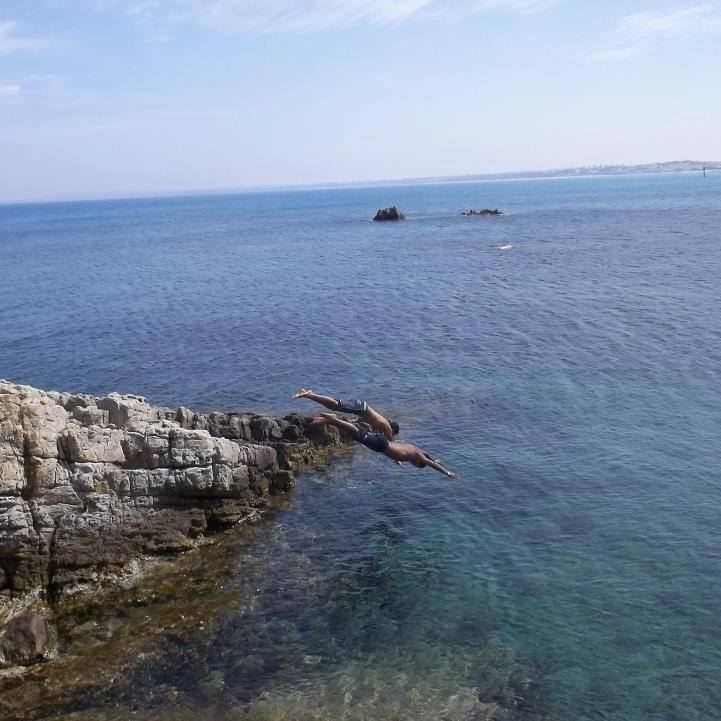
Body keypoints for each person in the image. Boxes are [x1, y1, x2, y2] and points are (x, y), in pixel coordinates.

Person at [313, 412, 460, 480]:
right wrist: (446, 472)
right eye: (416, 465)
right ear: (417, 462)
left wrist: (434, 459)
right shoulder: (416, 456)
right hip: (380, 445)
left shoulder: (414, 449)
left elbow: (425, 455)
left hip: (383, 442)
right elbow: (428, 462)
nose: (414, 465)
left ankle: (330, 420)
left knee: (357, 433)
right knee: (355, 432)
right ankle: (331, 419)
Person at [291, 388, 399, 440]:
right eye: (393, 433)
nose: (390, 434)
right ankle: (310, 395)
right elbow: (390, 442)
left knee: (335, 407)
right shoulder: (387, 427)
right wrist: (397, 459)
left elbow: (354, 422)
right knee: (335, 405)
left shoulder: (380, 423)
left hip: (361, 409)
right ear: (393, 429)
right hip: (361, 408)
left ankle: (324, 417)